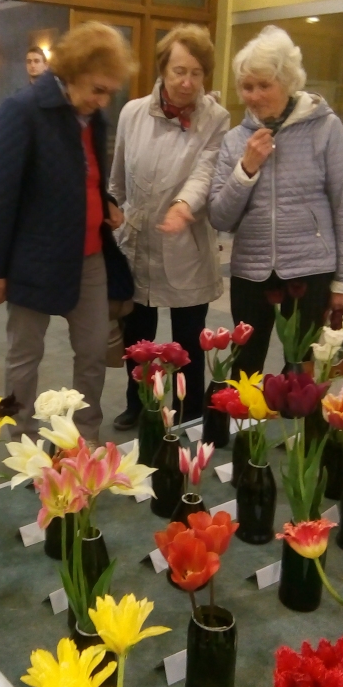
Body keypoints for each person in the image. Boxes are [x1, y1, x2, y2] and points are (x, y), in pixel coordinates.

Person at [0, 22, 134, 443]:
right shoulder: (23, 111)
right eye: (98, 89)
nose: (103, 101)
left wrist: (104, 201)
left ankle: (82, 439)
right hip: (33, 258)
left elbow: (85, 173)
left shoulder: (92, 117)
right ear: (72, 71)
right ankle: (22, 443)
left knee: (92, 353)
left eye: (109, 93)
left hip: (88, 256)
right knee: (25, 356)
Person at [209, 25, 343, 376]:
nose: (255, 95)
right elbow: (221, 218)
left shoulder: (325, 128)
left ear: (288, 82)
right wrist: (246, 169)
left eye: (265, 85)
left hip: (310, 269)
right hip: (251, 271)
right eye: (247, 86)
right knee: (243, 368)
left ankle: (303, 433)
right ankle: (244, 432)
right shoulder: (235, 140)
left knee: (305, 368)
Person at [108, 24, 228, 429]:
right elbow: (118, 173)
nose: (187, 82)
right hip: (138, 239)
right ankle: (138, 400)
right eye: (179, 71)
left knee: (188, 337)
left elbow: (205, 172)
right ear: (162, 68)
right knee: (138, 334)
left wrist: (182, 205)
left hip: (185, 242)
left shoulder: (216, 118)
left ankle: (190, 407)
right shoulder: (132, 112)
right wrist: (113, 208)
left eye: (196, 73)